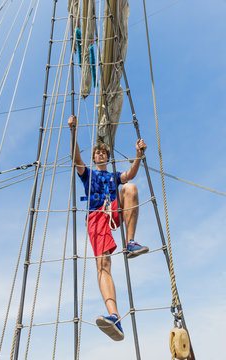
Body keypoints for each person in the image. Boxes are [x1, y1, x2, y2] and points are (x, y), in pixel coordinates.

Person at [68, 115, 149, 341]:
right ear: (94, 157)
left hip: (112, 210)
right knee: (103, 264)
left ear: (108, 157)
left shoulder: (113, 176)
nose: (101, 154)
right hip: (96, 217)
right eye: (97, 153)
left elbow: (130, 174)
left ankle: (130, 242)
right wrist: (73, 132)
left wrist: (138, 156)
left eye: (104, 152)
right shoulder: (89, 174)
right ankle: (115, 316)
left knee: (130, 187)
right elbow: (77, 159)